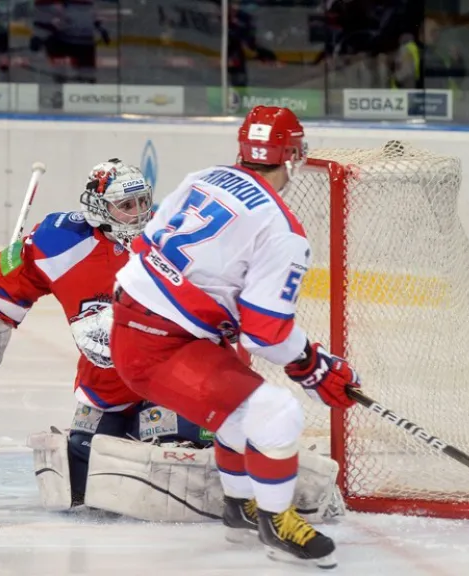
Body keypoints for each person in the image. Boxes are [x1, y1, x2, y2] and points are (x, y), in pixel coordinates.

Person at [0, 159, 345, 524]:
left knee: (175, 453)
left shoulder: (170, 232)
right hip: (106, 380)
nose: (140, 214)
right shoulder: (60, 240)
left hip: (179, 370)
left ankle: (248, 477)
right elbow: (6, 277)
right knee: (80, 474)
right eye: (126, 206)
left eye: (144, 202)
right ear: (97, 208)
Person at [109, 106, 361, 568]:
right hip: (161, 346)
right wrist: (312, 364)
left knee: (238, 410)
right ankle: (276, 522)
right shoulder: (283, 231)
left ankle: (240, 506)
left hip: (140, 324)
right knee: (276, 408)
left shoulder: (204, 176)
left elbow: (151, 243)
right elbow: (265, 333)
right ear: (292, 155)